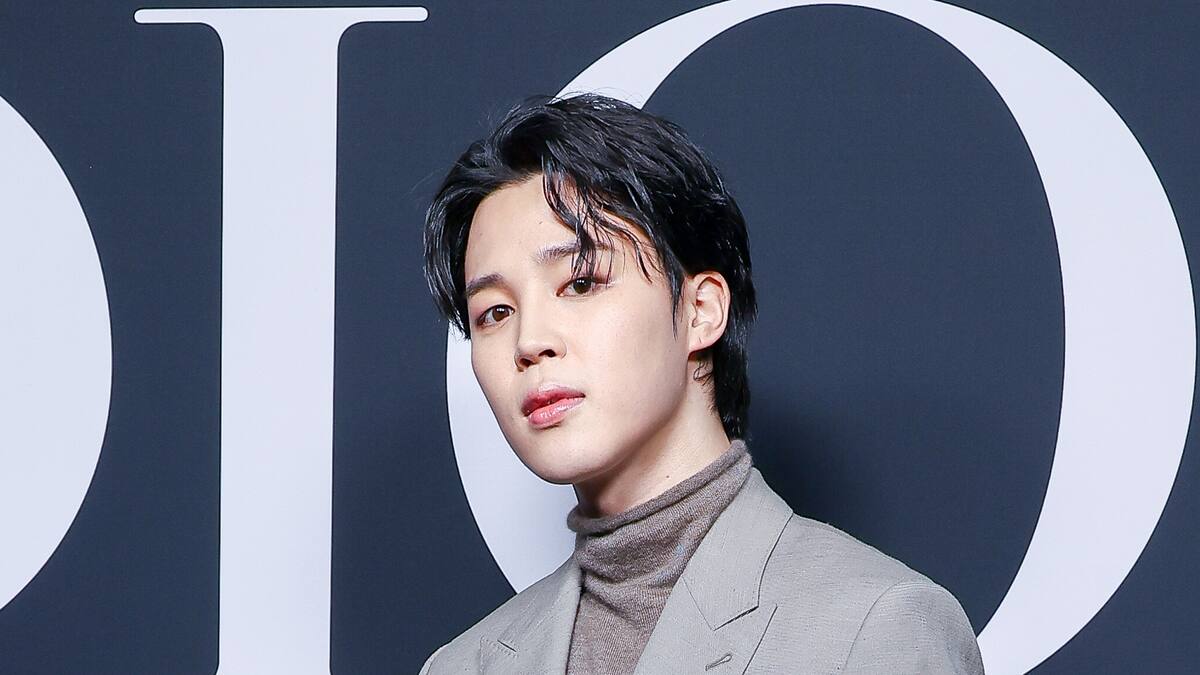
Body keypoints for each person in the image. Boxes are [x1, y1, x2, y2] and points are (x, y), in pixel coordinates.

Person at [418, 93, 984, 674]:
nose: (530, 341)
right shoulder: (461, 666)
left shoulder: (877, 629)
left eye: (581, 283)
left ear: (701, 310)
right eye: (494, 312)